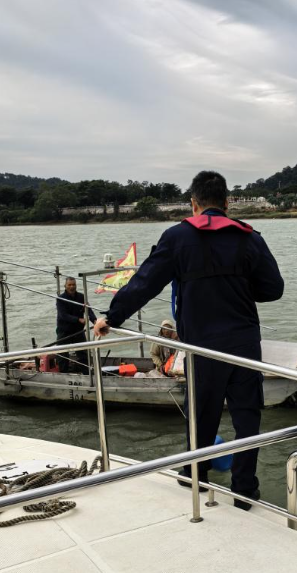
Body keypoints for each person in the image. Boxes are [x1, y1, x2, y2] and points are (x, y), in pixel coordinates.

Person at [94, 170, 284, 507]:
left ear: (193, 203)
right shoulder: (249, 237)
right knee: (247, 418)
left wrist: (112, 317)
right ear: (227, 203)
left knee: (201, 415)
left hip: (201, 345)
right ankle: (244, 491)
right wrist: (239, 285)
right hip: (243, 345)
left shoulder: (177, 237)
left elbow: (145, 282)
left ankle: (195, 476)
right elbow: (273, 289)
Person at [56, 276, 96, 373]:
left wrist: (95, 321)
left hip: (78, 330)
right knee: (62, 355)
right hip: (64, 331)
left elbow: (88, 310)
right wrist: (78, 319)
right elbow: (63, 315)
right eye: (69, 285)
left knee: (83, 353)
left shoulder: (81, 297)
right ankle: (63, 374)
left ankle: (86, 373)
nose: (72, 287)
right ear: (65, 286)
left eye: (73, 285)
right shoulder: (60, 299)